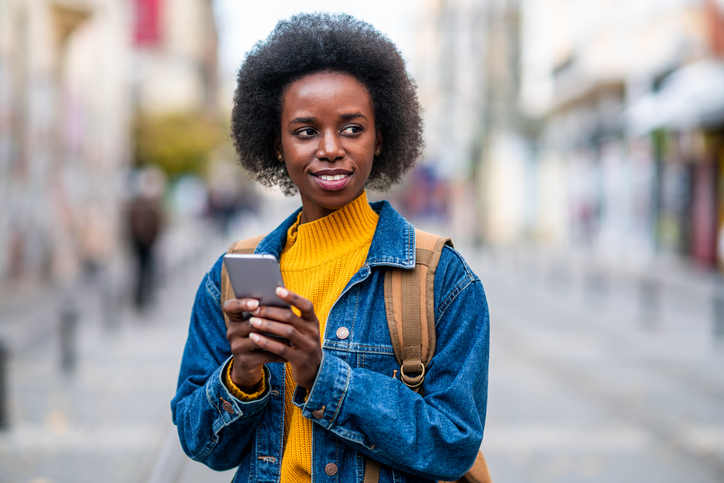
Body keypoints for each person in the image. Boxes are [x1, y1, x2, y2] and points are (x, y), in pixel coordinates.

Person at [171, 13, 489, 483]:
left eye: (352, 128)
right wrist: (240, 377)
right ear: (277, 145)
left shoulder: (440, 279)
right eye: (304, 132)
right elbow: (201, 445)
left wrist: (322, 374)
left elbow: (454, 443)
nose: (330, 148)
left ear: (380, 137)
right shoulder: (235, 272)